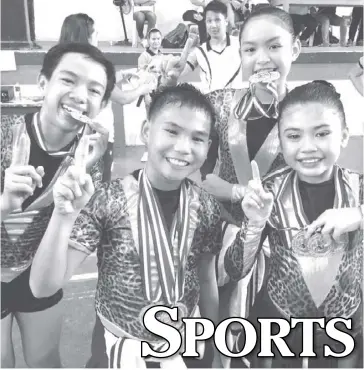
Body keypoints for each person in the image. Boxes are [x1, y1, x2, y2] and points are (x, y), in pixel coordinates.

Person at [28, 84, 240, 368]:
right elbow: (43, 288)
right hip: (118, 344)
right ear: (145, 132)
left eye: (197, 138)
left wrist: (215, 345)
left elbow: (206, 279)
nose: (183, 147)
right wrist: (62, 217)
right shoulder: (107, 200)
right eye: (172, 131)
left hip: (184, 343)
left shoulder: (208, 208)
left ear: (208, 147)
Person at [224, 80, 363, 368]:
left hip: (348, 322)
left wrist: (359, 214)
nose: (308, 147)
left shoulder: (359, 187)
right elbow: (236, 268)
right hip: (280, 322)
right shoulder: (268, 192)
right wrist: (254, 223)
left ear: (344, 135)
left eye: (322, 133)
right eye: (294, 136)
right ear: (281, 140)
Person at [1, 42, 116, 368]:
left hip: (40, 268)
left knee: (45, 361)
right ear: (43, 84)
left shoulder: (94, 156)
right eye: (68, 80)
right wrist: (5, 204)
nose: (81, 94)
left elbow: (81, 228)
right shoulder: (4, 135)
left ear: (103, 103)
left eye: (94, 89)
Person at [59, 13, 158, 181]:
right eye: (95, 33)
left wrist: (120, 75)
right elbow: (123, 98)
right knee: (94, 184)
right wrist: (143, 88)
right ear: (86, 37)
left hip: (65, 135)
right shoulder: (95, 67)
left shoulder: (61, 62)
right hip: (94, 135)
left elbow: (100, 86)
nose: (98, 36)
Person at [174, 1, 243, 94]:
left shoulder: (239, 44)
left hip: (237, 103)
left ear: (226, 21)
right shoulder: (199, 51)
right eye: (209, 21)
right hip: (212, 102)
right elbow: (179, 74)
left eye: (217, 20)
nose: (213, 25)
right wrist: (176, 71)